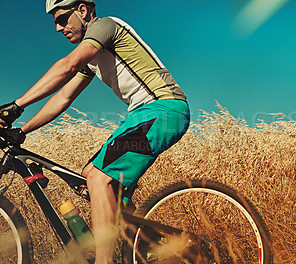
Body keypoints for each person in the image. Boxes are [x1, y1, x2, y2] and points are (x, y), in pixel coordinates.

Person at [0, 0, 190, 263]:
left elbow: (67, 67)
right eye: (55, 21)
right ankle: (150, 245)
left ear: (82, 10)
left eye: (62, 18)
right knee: (93, 176)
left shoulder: (105, 27)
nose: (57, 27)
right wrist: (22, 130)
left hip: (164, 110)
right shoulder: (91, 60)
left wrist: (16, 106)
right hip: (144, 115)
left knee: (99, 178)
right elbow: (63, 97)